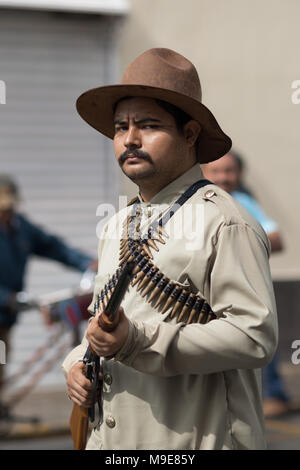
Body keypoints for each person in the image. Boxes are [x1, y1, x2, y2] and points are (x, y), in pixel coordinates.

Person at [62, 48, 277, 450]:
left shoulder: (224, 221)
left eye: (148, 125)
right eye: (120, 127)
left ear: (190, 134)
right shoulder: (118, 224)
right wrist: (75, 362)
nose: (130, 139)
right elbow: (102, 323)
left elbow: (255, 335)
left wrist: (138, 340)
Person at [0, 175, 96, 418]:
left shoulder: (20, 229)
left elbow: (55, 248)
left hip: (5, 320)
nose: (6, 212)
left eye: (9, 207)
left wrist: (87, 263)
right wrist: (7, 298)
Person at [203, 152, 289, 418]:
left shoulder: (241, 202)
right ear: (203, 172)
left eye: (229, 171)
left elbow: (277, 239)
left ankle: (274, 394)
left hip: (245, 287)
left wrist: (239, 240)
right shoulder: (198, 203)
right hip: (208, 290)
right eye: (216, 171)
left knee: (258, 337)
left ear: (239, 174)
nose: (223, 178)